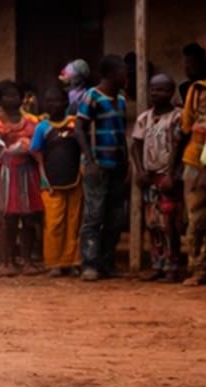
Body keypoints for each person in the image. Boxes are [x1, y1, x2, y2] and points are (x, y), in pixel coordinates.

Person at [75, 54, 130, 281]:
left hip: (117, 165)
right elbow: (79, 128)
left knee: (115, 217)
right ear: (110, 74)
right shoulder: (92, 96)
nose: (126, 76)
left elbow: (122, 133)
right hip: (98, 165)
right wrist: (89, 160)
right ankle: (89, 263)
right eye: (122, 72)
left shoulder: (122, 100)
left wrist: (127, 163)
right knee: (94, 215)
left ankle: (107, 263)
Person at [129, 72, 185, 281]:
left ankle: (173, 265)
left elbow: (180, 147)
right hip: (150, 177)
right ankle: (158, 264)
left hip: (167, 177)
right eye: (153, 89)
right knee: (153, 224)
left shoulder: (178, 117)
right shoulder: (144, 118)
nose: (155, 93)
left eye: (161, 89)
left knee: (170, 223)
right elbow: (135, 145)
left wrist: (172, 174)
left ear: (170, 92)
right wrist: (140, 171)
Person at [0, 80, 44, 277]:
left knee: (29, 218)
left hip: (28, 172)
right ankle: (7, 262)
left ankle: (27, 260)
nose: (12, 99)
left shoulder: (32, 120)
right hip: (4, 172)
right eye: (7, 95)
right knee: (6, 219)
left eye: (15, 95)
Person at [31, 88, 84, 276]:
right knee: (53, 223)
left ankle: (72, 261)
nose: (54, 105)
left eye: (58, 100)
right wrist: (43, 177)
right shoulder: (42, 127)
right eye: (49, 101)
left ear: (66, 103)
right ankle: (54, 262)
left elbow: (82, 147)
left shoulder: (74, 124)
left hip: (74, 179)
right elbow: (36, 152)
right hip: (51, 181)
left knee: (73, 221)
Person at [182, 72, 206, 286]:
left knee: (196, 219)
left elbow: (186, 124)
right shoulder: (199, 90)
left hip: (196, 162)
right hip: (198, 162)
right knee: (197, 219)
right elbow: (187, 124)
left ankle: (198, 268)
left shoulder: (198, 90)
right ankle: (198, 268)